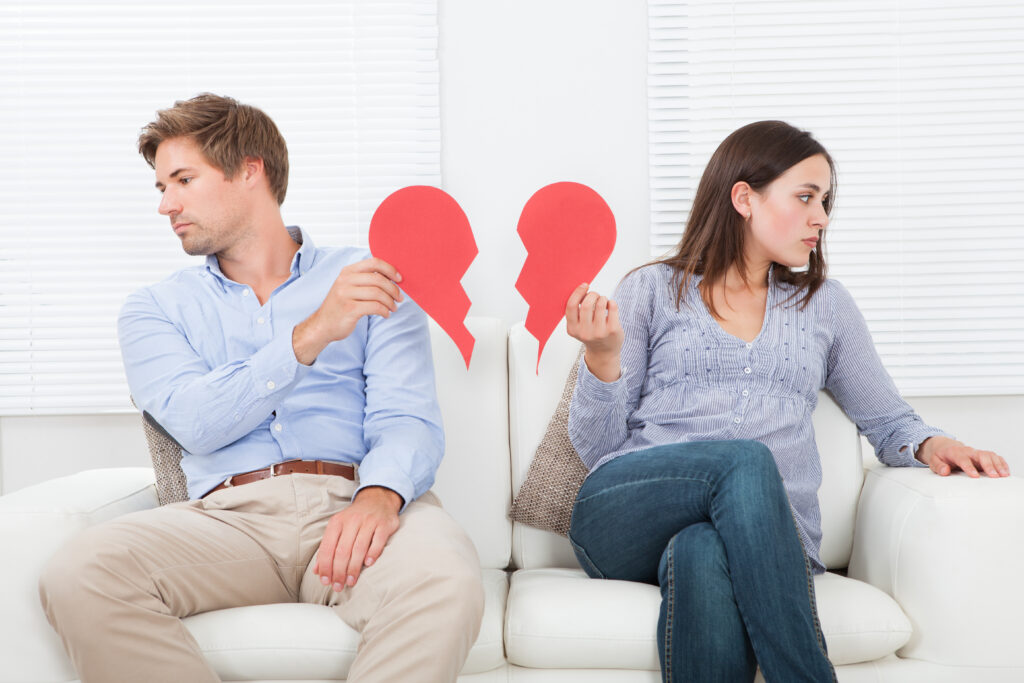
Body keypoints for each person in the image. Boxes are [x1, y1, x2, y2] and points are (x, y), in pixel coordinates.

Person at [37, 93, 485, 683]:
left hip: (354, 502)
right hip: (227, 521)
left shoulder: (371, 279)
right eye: (160, 187)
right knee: (80, 571)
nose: (166, 204)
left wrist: (381, 495)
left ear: (251, 170)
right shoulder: (154, 310)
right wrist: (312, 334)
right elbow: (196, 423)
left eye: (183, 180)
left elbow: (407, 417)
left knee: (445, 578)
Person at [563, 120, 1010, 683]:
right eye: (804, 198)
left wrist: (933, 443)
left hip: (767, 535)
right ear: (744, 198)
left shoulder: (825, 306)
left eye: (825, 201)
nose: (821, 216)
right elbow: (600, 447)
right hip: (623, 516)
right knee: (745, 458)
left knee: (701, 550)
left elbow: (886, 416)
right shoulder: (652, 289)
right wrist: (603, 357)